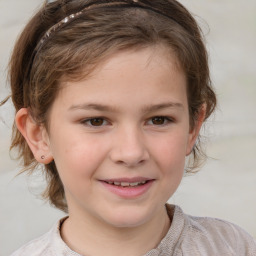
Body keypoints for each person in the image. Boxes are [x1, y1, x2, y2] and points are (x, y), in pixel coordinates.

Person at [2, 0, 255, 255]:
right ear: (38, 136)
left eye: (159, 120)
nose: (131, 152)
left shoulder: (233, 247)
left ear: (192, 127)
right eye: (96, 121)